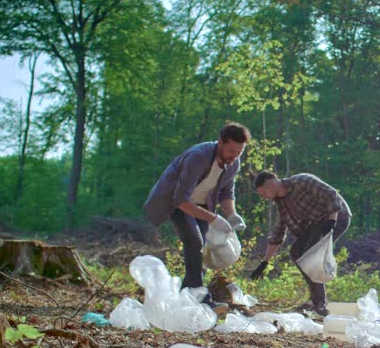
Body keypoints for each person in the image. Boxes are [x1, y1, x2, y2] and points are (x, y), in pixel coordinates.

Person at [144, 122, 251, 312]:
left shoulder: (233, 164)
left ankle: (187, 297)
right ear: (220, 142)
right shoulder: (198, 157)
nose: (234, 156)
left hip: (202, 206)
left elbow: (227, 192)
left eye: (239, 152)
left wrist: (232, 215)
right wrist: (214, 219)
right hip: (177, 203)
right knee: (194, 241)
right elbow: (180, 200)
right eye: (231, 150)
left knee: (199, 250)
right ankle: (202, 298)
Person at [249, 170, 352, 316]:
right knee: (296, 253)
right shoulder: (282, 204)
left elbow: (331, 193)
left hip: (336, 217)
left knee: (310, 255)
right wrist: (264, 262)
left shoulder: (302, 181)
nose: (264, 197)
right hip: (315, 224)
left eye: (263, 193)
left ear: (271, 184)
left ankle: (320, 305)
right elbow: (278, 233)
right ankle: (315, 300)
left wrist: (332, 220)